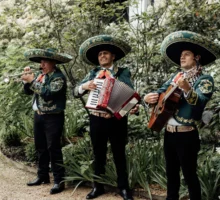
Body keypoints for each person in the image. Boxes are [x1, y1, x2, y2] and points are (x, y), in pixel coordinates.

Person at [144, 30, 220, 200]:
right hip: (169, 133)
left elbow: (200, 101)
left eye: (187, 54)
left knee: (190, 175)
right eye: (181, 55)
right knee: (171, 174)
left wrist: (186, 88)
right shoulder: (176, 76)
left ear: (197, 58)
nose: (182, 57)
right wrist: (148, 98)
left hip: (187, 135)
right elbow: (160, 93)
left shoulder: (205, 80)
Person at [73, 35, 138, 200]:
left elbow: (131, 95)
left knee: (119, 154)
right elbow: (75, 92)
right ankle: (98, 187)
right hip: (96, 118)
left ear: (113, 56)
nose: (102, 56)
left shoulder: (123, 72)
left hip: (116, 119)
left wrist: (132, 108)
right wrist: (84, 86)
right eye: (100, 54)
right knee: (98, 154)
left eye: (105, 53)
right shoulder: (93, 73)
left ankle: (123, 188)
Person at [21, 48, 72, 194]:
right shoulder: (40, 75)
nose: (41, 65)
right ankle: (42, 176)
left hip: (53, 116)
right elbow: (28, 92)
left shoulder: (58, 77)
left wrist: (32, 81)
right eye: (41, 62)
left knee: (53, 148)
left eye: (45, 62)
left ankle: (59, 181)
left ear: (53, 63)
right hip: (39, 115)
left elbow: (48, 94)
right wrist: (26, 80)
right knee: (40, 147)